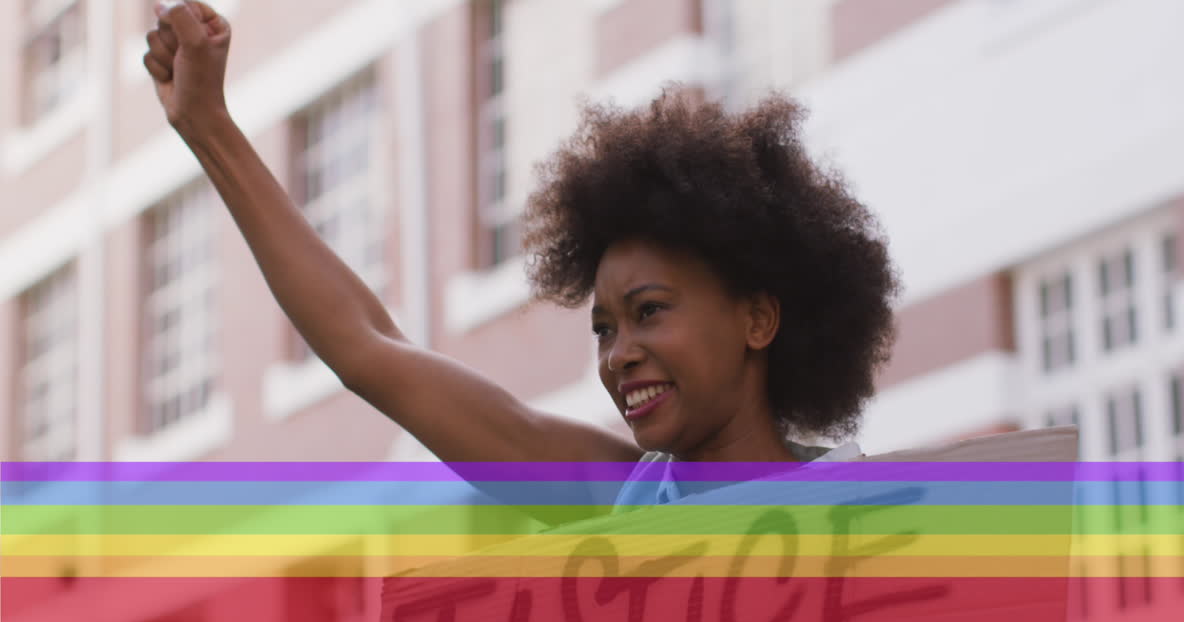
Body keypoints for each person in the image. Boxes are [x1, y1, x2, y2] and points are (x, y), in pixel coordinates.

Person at [142, 1, 899, 510]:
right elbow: (365, 348)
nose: (619, 355)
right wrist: (209, 128)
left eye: (649, 312)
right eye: (603, 328)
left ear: (758, 319)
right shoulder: (620, 498)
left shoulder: (877, 518)